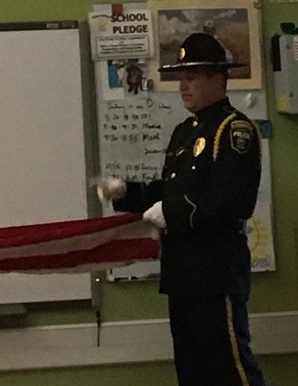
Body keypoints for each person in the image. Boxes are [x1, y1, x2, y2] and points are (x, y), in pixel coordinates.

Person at [98, 32, 267, 386]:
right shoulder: (184, 132)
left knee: (229, 369)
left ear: (218, 78)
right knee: (193, 373)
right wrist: (128, 193)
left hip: (215, 268)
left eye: (192, 77)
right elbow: (171, 190)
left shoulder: (233, 130)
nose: (183, 87)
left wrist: (172, 212)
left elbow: (230, 201)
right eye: (180, 78)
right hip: (183, 270)